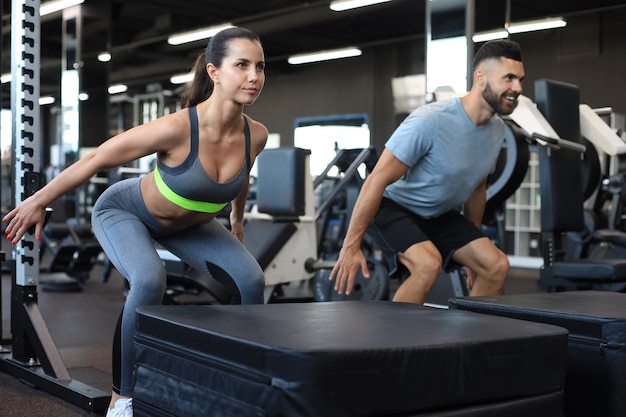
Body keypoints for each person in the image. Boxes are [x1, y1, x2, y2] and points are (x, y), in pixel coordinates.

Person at [3, 27, 268, 417]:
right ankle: (122, 397)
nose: (254, 76)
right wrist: (38, 201)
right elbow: (97, 159)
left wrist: (237, 220)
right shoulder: (178, 128)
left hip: (191, 226)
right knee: (149, 279)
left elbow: (241, 177)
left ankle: (242, 385)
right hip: (125, 212)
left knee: (252, 280)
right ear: (213, 71)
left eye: (260, 67)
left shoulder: (255, 135)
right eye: (241, 65)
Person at [329, 39, 524, 304]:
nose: (518, 88)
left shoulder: (497, 131)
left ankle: (470, 341)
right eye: (509, 78)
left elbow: (477, 187)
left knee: (495, 265)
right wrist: (350, 246)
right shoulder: (430, 120)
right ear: (481, 77)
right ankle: (396, 344)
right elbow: (377, 179)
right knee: (427, 265)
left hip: (439, 215)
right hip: (393, 208)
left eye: (520, 79)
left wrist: (472, 245)